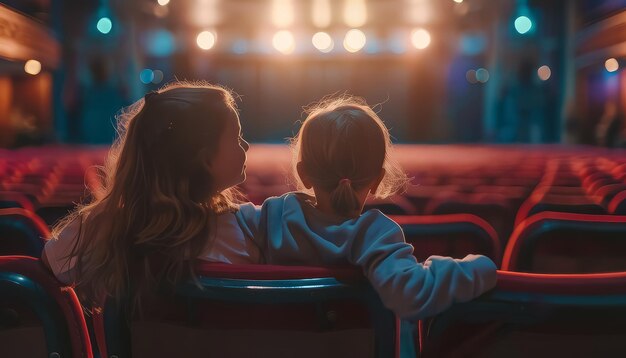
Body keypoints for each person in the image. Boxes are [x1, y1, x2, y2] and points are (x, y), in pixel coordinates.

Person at [236, 95, 497, 320]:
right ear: (377, 180)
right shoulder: (375, 235)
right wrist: (482, 267)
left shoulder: (269, 217)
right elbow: (412, 293)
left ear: (303, 174)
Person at [41, 81, 259, 308]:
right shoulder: (245, 230)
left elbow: (44, 274)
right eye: (237, 136)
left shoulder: (99, 227)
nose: (246, 145)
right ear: (205, 160)